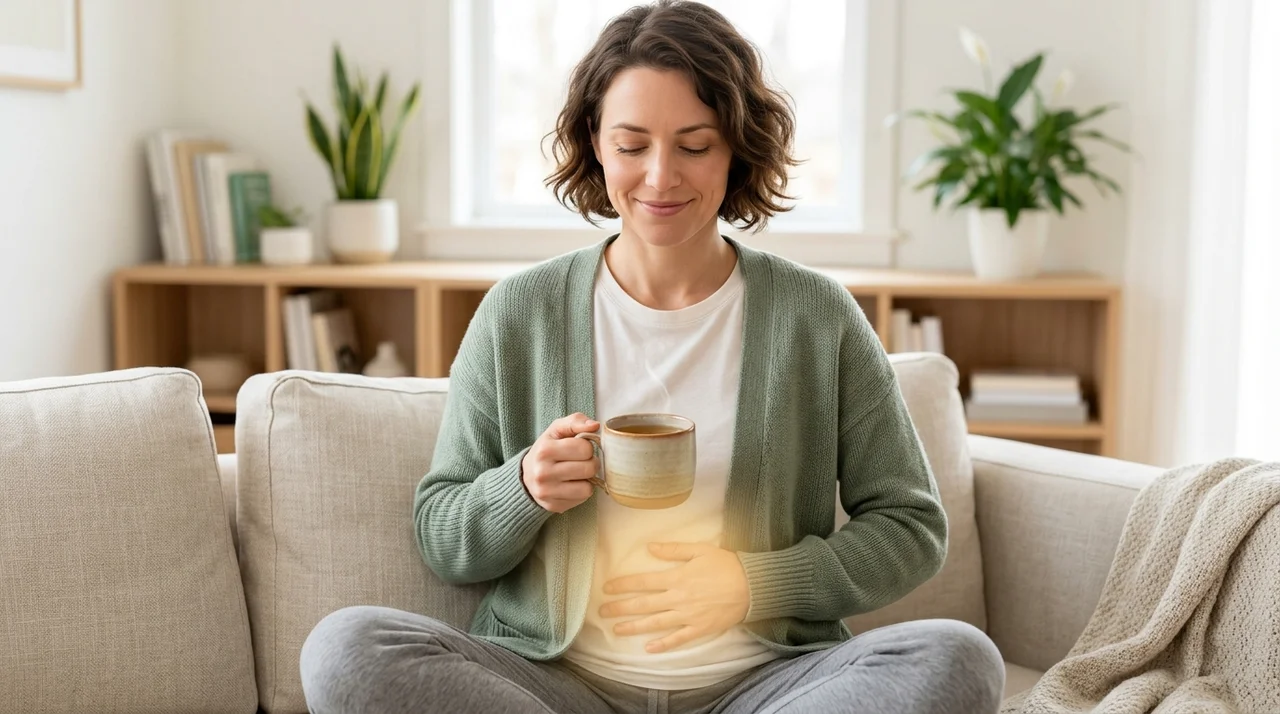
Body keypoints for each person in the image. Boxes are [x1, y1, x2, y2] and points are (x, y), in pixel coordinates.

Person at [299, 1, 1005, 712]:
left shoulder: (814, 317)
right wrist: (523, 489)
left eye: (694, 146)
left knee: (958, 657)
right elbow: (443, 536)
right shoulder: (521, 312)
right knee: (347, 647)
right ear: (595, 144)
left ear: (737, 150)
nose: (661, 177)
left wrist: (752, 583)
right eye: (632, 145)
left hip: (764, 687)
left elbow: (911, 529)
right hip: (558, 687)